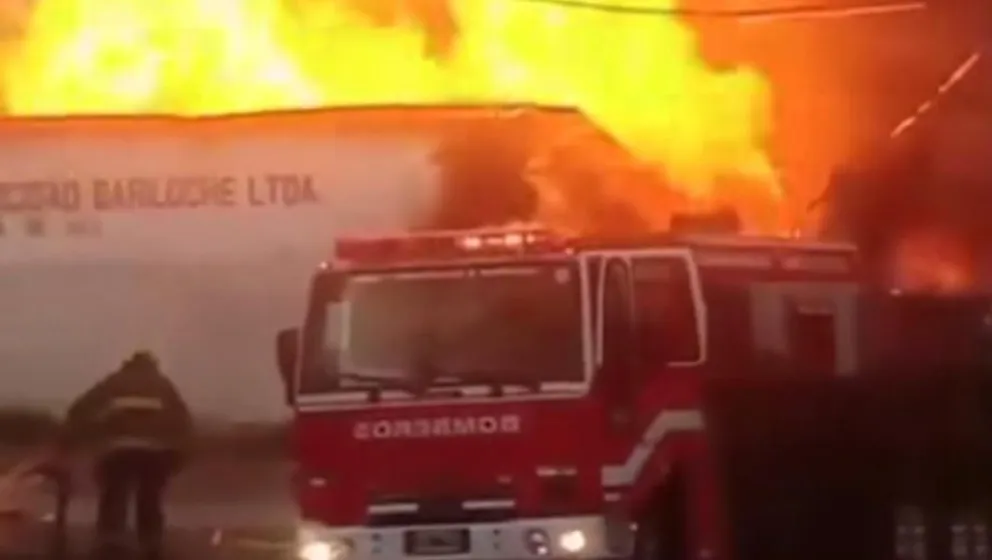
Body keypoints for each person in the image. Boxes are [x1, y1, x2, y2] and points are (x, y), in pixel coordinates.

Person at [61, 351, 193, 559]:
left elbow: (80, 409)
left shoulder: (114, 382)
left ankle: (111, 542)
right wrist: (180, 452)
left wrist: (77, 435)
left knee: (114, 494)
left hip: (117, 449)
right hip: (155, 452)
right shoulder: (163, 385)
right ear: (153, 366)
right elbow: (182, 420)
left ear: (128, 364)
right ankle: (151, 543)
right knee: (149, 497)